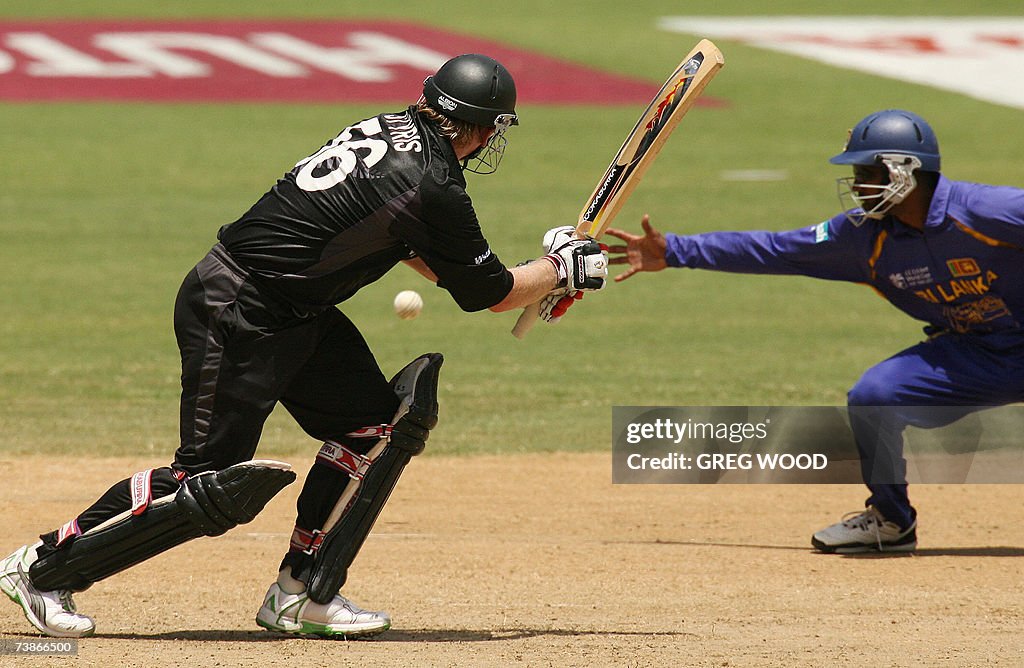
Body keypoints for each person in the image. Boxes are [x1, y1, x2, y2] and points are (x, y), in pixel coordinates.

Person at [0, 53, 608, 639]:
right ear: (481, 129)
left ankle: (302, 592)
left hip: (293, 309)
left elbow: (426, 253)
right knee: (206, 484)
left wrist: (550, 268)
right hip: (237, 309)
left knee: (374, 427)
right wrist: (562, 268)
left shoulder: (391, 129)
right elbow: (492, 293)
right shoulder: (436, 184)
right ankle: (42, 568)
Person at [605, 109, 1024, 554]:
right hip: (975, 355)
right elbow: (775, 249)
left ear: (906, 171)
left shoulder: (988, 211)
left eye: (867, 172)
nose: (858, 185)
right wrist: (674, 251)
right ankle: (890, 520)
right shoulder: (863, 239)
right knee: (875, 395)